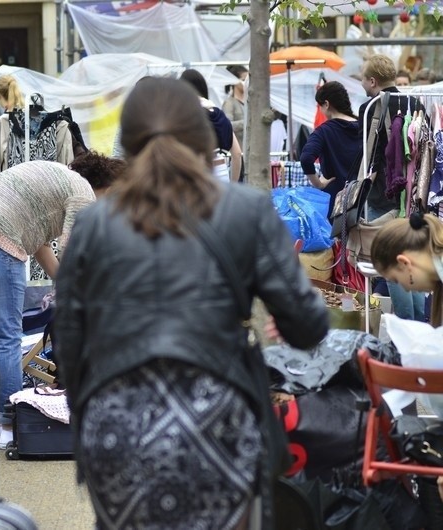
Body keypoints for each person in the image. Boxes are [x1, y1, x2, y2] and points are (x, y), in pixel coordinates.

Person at [54, 77, 329, 529]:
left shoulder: (96, 222)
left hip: (116, 419)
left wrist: (92, 413)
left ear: (129, 142)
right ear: (205, 137)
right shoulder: (247, 209)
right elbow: (308, 326)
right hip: (217, 417)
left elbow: (69, 339)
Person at [0, 152, 125, 449]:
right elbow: (74, 250)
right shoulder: (84, 194)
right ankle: (9, 423)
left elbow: (43, 245)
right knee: (6, 337)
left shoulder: (59, 179)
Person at [360, 54, 426, 321]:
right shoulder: (415, 102)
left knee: (391, 264)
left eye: (364, 78)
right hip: (412, 196)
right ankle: (423, 326)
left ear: (372, 81)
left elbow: (368, 155)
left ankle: (406, 330)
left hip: (382, 197)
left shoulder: (372, 107)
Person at [299, 81, 362, 218]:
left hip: (335, 201)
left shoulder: (323, 131)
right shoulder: (364, 126)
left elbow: (306, 158)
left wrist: (318, 183)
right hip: (363, 199)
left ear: (326, 104)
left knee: (337, 239)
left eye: (319, 105)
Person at [180, 68, 242, 182]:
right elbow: (237, 153)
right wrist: (233, 183)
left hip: (196, 173)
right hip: (221, 171)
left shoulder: (185, 115)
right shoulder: (219, 114)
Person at [222, 64, 248, 154]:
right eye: (243, 80)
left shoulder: (249, 101)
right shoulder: (229, 103)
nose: (246, 83)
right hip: (238, 152)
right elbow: (228, 125)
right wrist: (247, 122)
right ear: (234, 81)